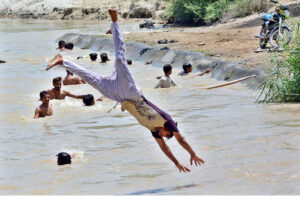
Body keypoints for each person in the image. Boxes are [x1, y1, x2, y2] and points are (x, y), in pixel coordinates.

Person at [46, 9, 204, 172]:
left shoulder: (154, 131)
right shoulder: (167, 120)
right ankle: (115, 22)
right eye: (164, 134)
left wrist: (177, 163)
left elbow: (164, 148)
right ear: (168, 129)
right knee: (121, 60)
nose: (161, 136)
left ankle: (63, 61)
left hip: (119, 98)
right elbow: (182, 140)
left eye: (163, 136)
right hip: (132, 94)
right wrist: (192, 153)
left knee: (92, 79)